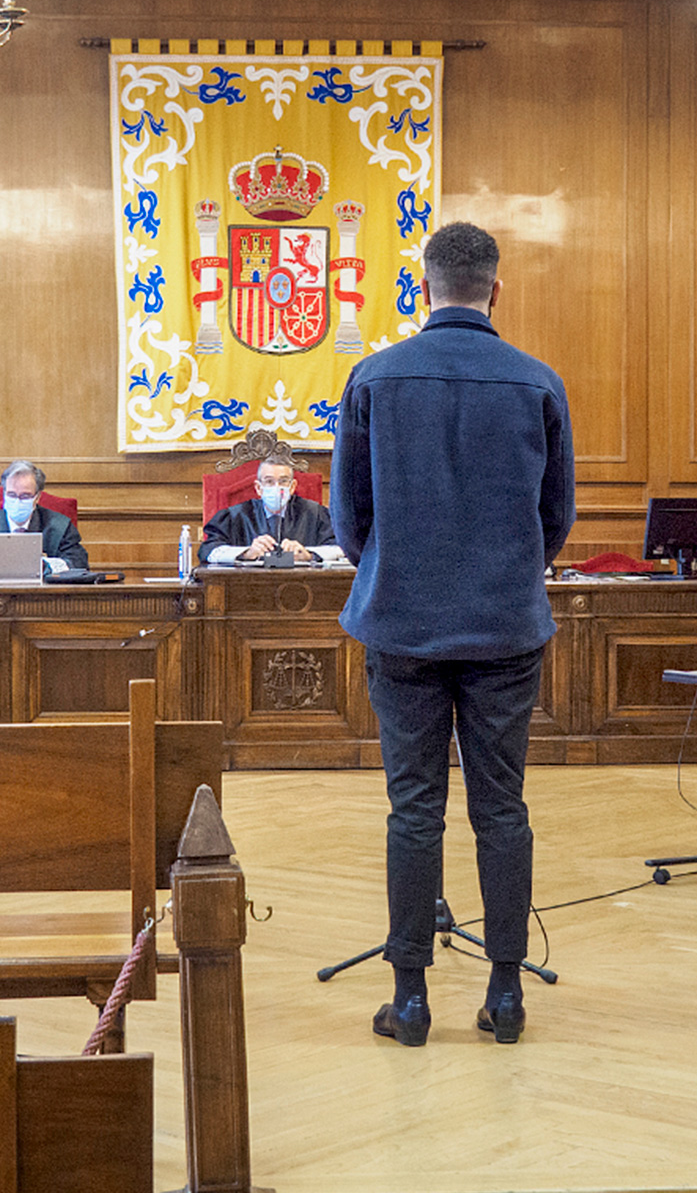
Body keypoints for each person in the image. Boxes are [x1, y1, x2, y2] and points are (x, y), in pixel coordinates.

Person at [332, 221, 574, 1049]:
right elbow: (556, 520)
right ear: (495, 290)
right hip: (506, 628)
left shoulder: (373, 377)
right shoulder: (538, 382)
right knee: (502, 808)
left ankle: (410, 1000)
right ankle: (506, 994)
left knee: (414, 807)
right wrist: (501, 576)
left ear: (422, 286)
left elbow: (349, 521)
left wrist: (400, 572)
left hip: (401, 625)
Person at [200, 458, 341, 565]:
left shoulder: (315, 514)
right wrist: (247, 553)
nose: (277, 487)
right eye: (269, 482)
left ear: (292, 487)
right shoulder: (235, 516)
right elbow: (209, 551)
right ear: (258, 488)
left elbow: (341, 548)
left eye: (283, 481)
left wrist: (309, 555)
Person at [0, 461, 88, 569]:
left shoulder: (60, 527)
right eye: (11, 495)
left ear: (37, 497)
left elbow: (78, 563)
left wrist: (44, 566)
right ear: (4, 493)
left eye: (25, 496)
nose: (17, 501)